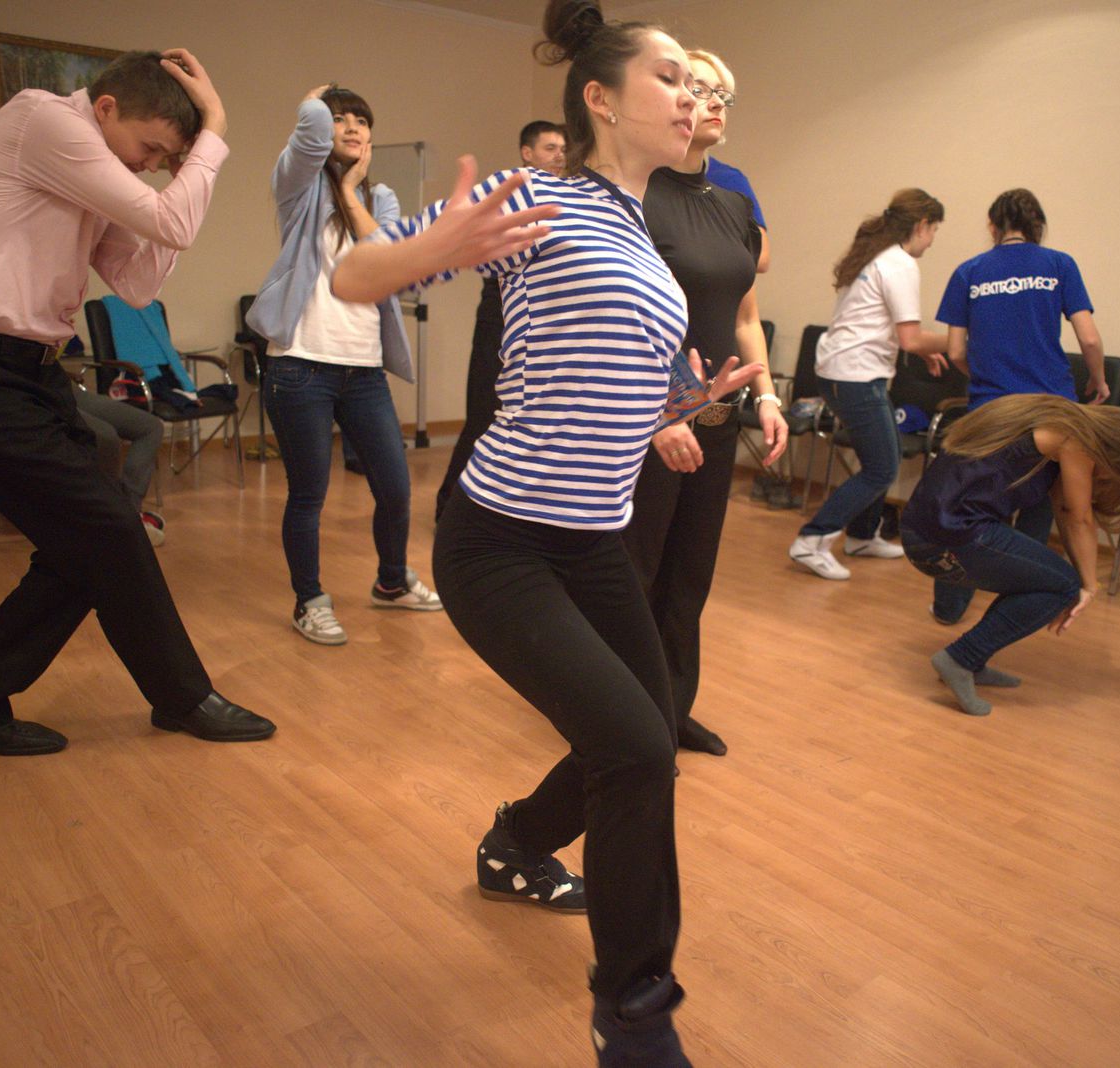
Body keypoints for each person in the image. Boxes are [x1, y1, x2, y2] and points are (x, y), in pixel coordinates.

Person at [332, 2, 766, 1060]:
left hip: (590, 540)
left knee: (648, 726)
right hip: (501, 540)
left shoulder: (638, 227)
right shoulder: (536, 194)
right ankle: (634, 1015)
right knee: (636, 751)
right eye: (670, 77)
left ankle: (517, 843)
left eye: (698, 84)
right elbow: (351, 279)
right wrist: (433, 244)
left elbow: (600, 375)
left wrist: (682, 405)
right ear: (600, 99)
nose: (692, 96)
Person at [0, 49, 275, 755]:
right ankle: (183, 697)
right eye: (150, 148)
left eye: (162, 159)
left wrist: (177, 181)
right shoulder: (42, 119)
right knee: (106, 527)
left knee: (85, 545)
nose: (150, 166)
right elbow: (172, 224)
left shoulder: (95, 173)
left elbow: (137, 282)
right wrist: (213, 132)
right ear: (105, 109)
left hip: (25, 371)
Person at [622, 48, 786, 760]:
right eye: (699, 88)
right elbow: (623, 317)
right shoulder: (638, 197)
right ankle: (624, 722)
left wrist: (768, 395)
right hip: (651, 421)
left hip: (719, 418)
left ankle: (672, 709)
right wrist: (666, 409)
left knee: (689, 576)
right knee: (637, 571)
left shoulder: (733, 205)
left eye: (724, 94)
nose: (713, 102)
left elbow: (745, 314)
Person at [247, 84, 443, 648]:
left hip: (364, 370)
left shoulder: (380, 197)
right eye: (340, 119)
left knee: (396, 489)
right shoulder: (298, 187)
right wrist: (312, 104)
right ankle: (309, 600)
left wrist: (354, 190)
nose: (353, 127)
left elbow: (387, 261)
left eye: (361, 120)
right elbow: (307, 140)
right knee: (308, 494)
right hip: (300, 367)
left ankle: (391, 582)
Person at [900, 394, 1120, 717]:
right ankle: (960, 659)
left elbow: (1063, 510)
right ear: (1111, 450)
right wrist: (1088, 585)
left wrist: (1083, 581)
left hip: (926, 531)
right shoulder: (1077, 439)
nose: (1098, 479)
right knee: (1061, 586)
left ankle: (972, 661)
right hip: (946, 537)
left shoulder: (1054, 422)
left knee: (1048, 579)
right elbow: (1079, 518)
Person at [929, 188, 1108, 624]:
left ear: (993, 226)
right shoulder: (1060, 265)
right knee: (1039, 505)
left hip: (991, 413)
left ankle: (949, 608)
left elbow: (955, 351)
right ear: (1037, 226)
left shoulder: (969, 271)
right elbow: (1088, 339)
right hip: (1050, 409)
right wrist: (1098, 381)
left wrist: (986, 377)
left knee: (971, 507)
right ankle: (1016, 604)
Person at [788, 189, 948, 580]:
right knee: (882, 467)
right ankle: (811, 540)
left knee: (881, 457)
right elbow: (910, 338)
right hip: (855, 375)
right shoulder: (900, 263)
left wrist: (926, 350)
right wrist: (960, 342)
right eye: (934, 230)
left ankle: (861, 536)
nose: (933, 240)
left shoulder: (876, 257)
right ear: (921, 225)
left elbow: (883, 326)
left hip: (842, 371)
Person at [434, 120, 567, 521]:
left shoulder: (567, 200)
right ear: (527, 153)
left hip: (540, 325)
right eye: (550, 148)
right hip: (499, 318)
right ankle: (449, 509)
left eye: (563, 148)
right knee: (484, 415)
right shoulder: (512, 195)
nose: (559, 155)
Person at [76, 387, 168, 544]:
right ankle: (112, 518)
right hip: (37, 396)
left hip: (65, 388)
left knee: (151, 427)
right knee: (106, 436)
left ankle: (130, 513)